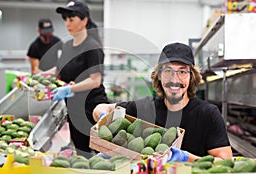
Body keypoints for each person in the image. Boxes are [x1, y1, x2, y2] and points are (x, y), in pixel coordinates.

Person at [92, 42, 233, 162]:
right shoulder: (145, 108)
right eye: (168, 71)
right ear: (159, 75)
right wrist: (105, 118)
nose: (175, 79)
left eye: (182, 72)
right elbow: (99, 108)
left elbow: (225, 161)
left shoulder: (208, 114)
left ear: (192, 76)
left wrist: (185, 158)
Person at [44, 0, 109, 158]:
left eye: (71, 19)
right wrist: (39, 77)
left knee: (103, 153)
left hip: (93, 108)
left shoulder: (92, 47)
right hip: (74, 109)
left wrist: (69, 89)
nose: (67, 23)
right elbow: (58, 69)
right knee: (82, 153)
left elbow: (95, 80)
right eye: (65, 19)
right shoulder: (67, 46)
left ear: (84, 20)